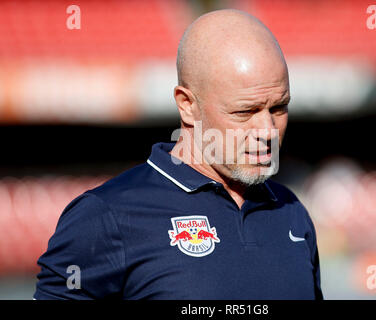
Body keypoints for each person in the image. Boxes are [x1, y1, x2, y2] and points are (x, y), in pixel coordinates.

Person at [34, 9, 323, 300]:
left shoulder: (291, 211)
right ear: (187, 105)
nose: (268, 130)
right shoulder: (106, 216)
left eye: (278, 108)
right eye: (245, 112)